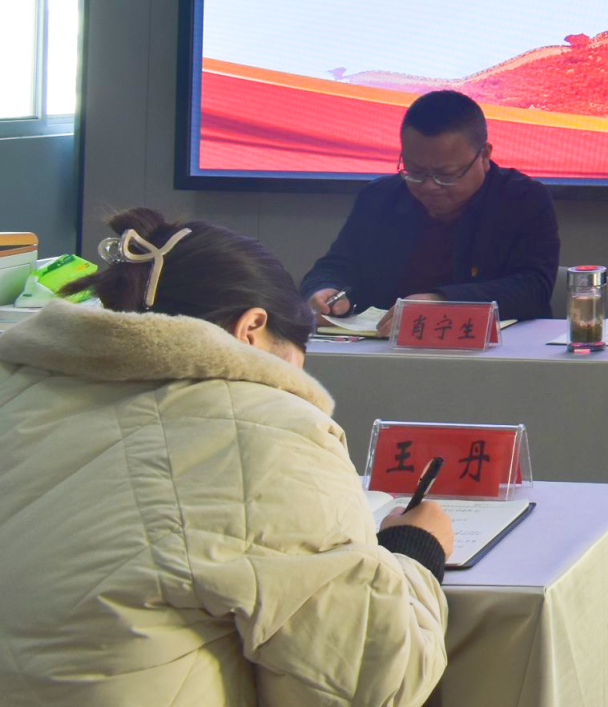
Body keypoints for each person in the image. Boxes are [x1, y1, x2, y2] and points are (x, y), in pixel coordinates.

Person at [0, 208, 452, 706]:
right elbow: (369, 684)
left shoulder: (15, 387)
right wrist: (415, 551)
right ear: (252, 327)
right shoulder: (270, 429)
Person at [302, 89, 559, 326]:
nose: (429, 186)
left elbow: (533, 288)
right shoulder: (379, 197)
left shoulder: (523, 199)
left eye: (445, 175)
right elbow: (337, 266)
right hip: (382, 347)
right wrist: (324, 289)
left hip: (498, 350)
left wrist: (442, 302)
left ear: (484, 156)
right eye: (415, 171)